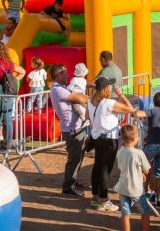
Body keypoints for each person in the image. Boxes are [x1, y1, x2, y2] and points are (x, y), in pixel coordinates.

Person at [86, 77, 145, 211]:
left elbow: (86, 117)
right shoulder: (108, 102)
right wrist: (121, 94)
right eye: (110, 86)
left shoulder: (91, 100)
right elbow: (130, 108)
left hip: (96, 137)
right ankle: (103, 199)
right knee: (105, 169)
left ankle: (95, 197)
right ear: (106, 89)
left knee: (97, 166)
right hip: (108, 138)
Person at [49, 63, 89, 196]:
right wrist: (94, 100)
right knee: (74, 158)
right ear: (59, 75)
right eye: (65, 73)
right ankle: (68, 186)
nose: (68, 76)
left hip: (75, 126)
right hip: (71, 129)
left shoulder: (60, 87)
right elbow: (78, 97)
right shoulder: (58, 89)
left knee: (78, 156)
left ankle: (72, 181)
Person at [116, 124, 151, 231]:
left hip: (123, 187)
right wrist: (143, 174)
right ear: (135, 138)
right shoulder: (139, 153)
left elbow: (120, 167)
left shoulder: (119, 152)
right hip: (136, 189)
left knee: (125, 212)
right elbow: (147, 169)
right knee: (145, 211)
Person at [143, 92, 160, 209]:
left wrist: (133, 112)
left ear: (154, 101)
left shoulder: (154, 110)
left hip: (152, 144)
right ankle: (159, 201)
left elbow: (142, 113)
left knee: (143, 168)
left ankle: (142, 195)